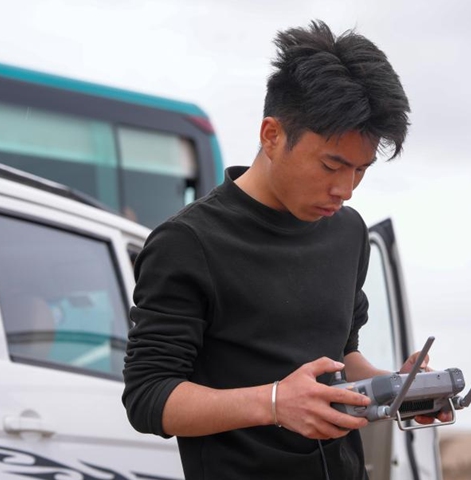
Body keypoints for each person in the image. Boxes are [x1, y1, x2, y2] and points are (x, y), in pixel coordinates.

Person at [122, 19, 444, 479]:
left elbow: (342, 357)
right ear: (272, 135)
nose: (346, 189)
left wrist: (397, 386)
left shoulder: (348, 232)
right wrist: (273, 402)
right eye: (331, 165)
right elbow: (148, 396)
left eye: (361, 170)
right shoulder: (188, 242)